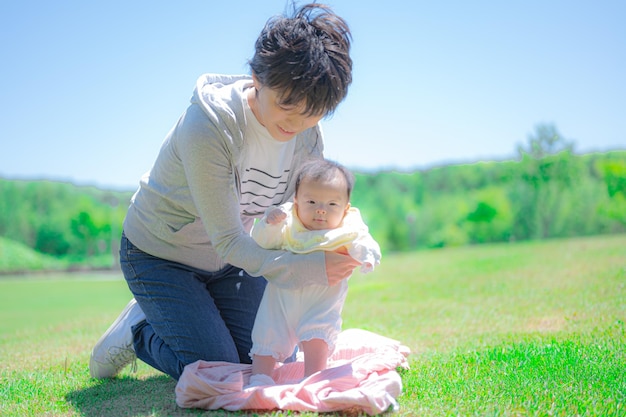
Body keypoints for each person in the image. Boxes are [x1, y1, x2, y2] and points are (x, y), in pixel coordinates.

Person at [88, 3, 359, 381]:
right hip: (162, 254)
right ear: (257, 78)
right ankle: (139, 332)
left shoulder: (308, 137)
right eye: (286, 106)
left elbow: (298, 211)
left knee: (269, 357)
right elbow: (230, 237)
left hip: (235, 259)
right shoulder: (209, 125)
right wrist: (309, 269)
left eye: (312, 112)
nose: (296, 124)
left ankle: (188, 313)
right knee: (223, 370)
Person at [247, 159, 381, 387]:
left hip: (322, 299)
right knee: (267, 332)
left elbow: (363, 242)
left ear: (346, 208)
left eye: (332, 204)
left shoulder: (347, 228)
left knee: (317, 336)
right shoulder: (289, 223)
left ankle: (313, 377)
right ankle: (261, 377)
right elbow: (262, 242)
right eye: (311, 201)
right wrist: (269, 224)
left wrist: (368, 256)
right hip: (280, 298)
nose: (321, 209)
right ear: (296, 201)